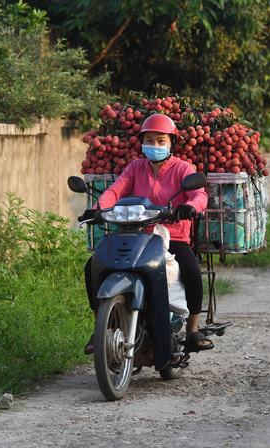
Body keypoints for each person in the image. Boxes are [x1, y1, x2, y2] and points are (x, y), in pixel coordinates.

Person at [83, 113, 212, 355]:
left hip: (172, 238)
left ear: (171, 143)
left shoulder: (183, 168)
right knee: (93, 265)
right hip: (136, 234)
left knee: (192, 270)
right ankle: (99, 327)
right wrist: (98, 209)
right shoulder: (135, 167)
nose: (154, 145)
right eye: (149, 140)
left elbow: (200, 195)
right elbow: (114, 190)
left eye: (160, 141)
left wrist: (190, 207)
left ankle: (193, 330)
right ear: (142, 142)